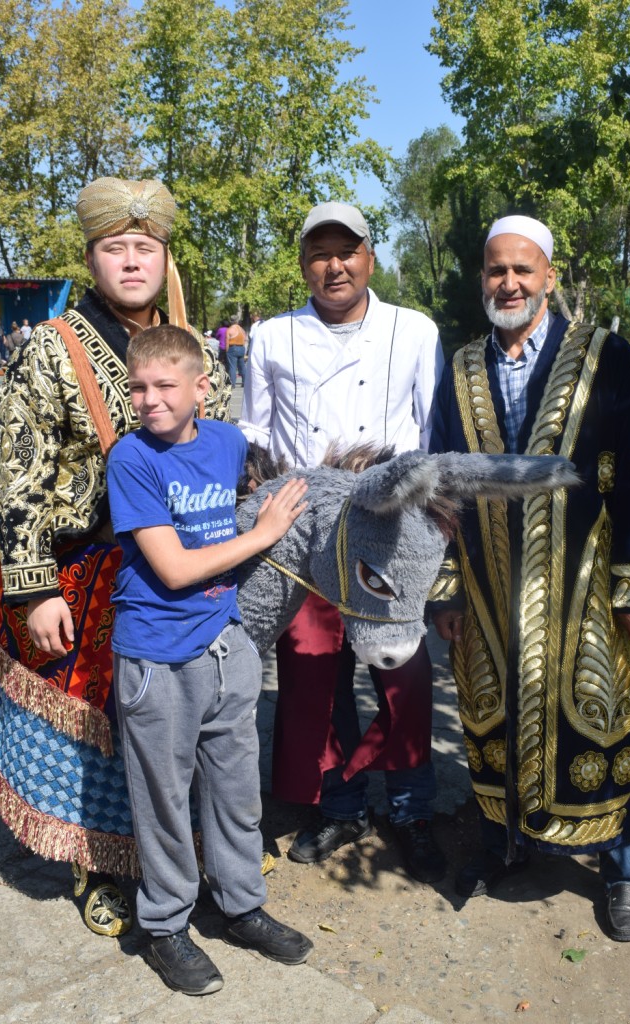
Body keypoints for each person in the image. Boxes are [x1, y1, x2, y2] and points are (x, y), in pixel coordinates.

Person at [0, 176, 231, 936]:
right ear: (92, 259)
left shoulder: (185, 340)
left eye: (145, 247)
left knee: (181, 717)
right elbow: (18, 471)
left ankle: (195, 848)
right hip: (83, 565)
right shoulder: (53, 346)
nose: (132, 261)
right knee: (100, 731)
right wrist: (31, 588)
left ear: (164, 257)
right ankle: (99, 864)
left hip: (175, 559)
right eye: (116, 249)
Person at [429, 214, 630, 942]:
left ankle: (626, 864)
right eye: (496, 270)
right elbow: (439, 483)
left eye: (523, 269)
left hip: (581, 584)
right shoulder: (460, 368)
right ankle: (508, 840)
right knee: (494, 720)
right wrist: (447, 590)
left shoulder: (604, 356)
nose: (509, 282)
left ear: (548, 276)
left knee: (603, 719)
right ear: (481, 278)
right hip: (489, 586)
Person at [240, 201, 447, 882]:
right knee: (311, 670)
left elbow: (432, 427)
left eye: (346, 251)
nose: (334, 265)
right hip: (309, 530)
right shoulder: (272, 336)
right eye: (319, 254)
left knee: (404, 674)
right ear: (303, 263)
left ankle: (413, 804)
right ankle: (342, 802)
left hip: (388, 528)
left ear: (369, 258)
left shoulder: (412, 330)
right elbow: (255, 432)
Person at [107, 323, 312, 994]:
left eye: (165, 385)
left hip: (227, 647)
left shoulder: (226, 443)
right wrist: (261, 535)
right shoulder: (131, 459)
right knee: (164, 801)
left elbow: (251, 504)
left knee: (233, 791)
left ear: (202, 388)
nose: (148, 399)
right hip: (158, 656)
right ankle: (165, 925)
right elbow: (170, 568)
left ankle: (239, 904)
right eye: (137, 386)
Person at [225, 316, 247, 387]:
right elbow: (245, 340)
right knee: (242, 366)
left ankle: (232, 383)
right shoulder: (242, 330)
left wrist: (226, 351)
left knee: (232, 366)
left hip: (233, 348)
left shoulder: (230, 330)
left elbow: (227, 342)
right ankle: (245, 382)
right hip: (241, 348)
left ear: (231, 321)